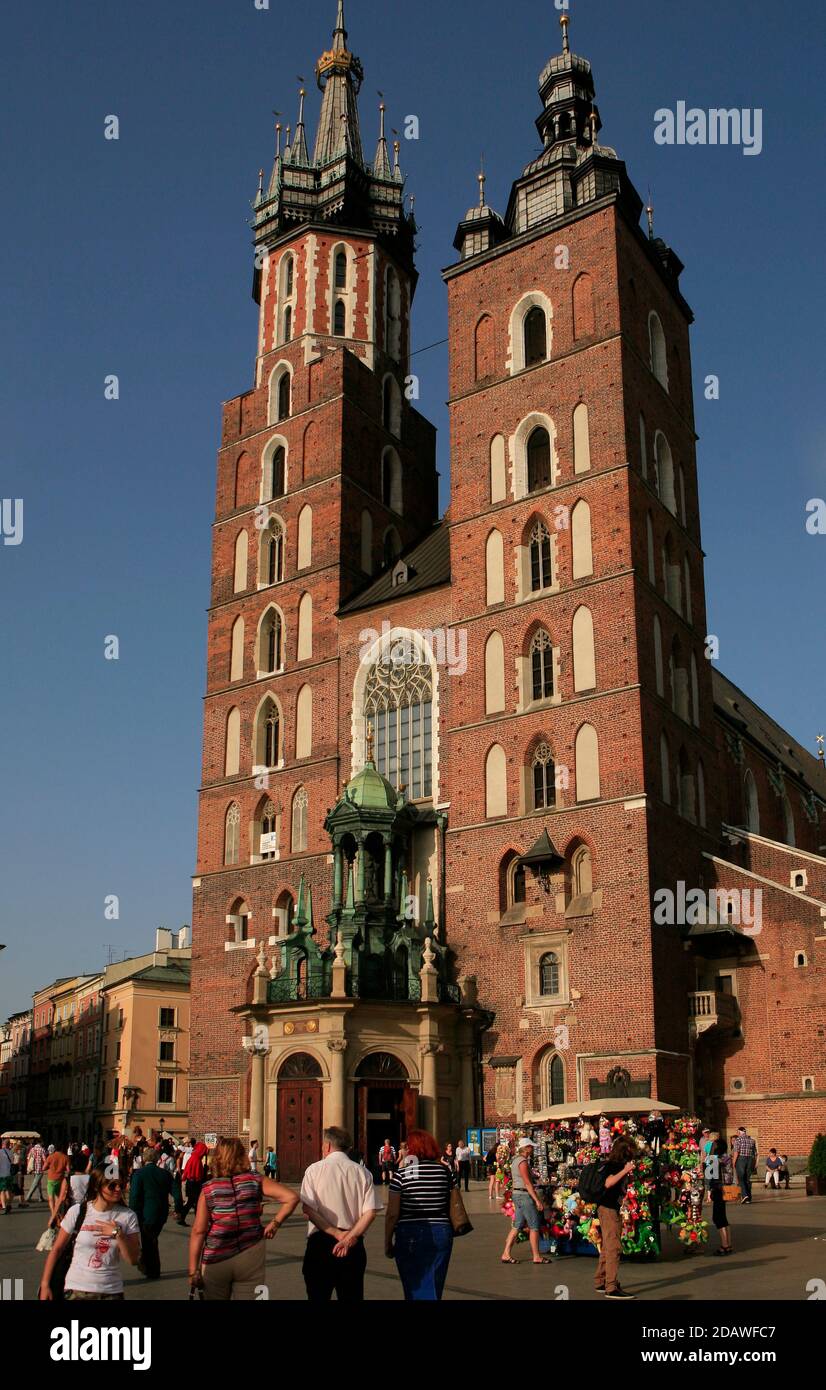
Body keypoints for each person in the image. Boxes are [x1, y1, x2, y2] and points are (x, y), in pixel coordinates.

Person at [188, 1137, 297, 1301]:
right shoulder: (255, 1180)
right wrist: (275, 1223)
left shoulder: (209, 1189)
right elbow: (291, 1197)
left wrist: (192, 1270)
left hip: (217, 1254)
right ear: (241, 1156)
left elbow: (199, 1231)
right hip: (250, 1251)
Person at [300, 1127, 382, 1302]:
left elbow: (308, 1209)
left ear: (328, 1146)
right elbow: (370, 1212)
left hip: (320, 1242)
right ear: (348, 1149)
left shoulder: (314, 1170)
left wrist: (336, 1233)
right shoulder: (362, 1172)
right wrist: (349, 1237)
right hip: (352, 1244)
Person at [38, 1168, 141, 1301]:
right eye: (112, 1185)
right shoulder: (78, 1212)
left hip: (111, 1290)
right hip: (77, 1289)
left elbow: (133, 1259)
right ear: (97, 1187)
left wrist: (118, 1235)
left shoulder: (127, 1216)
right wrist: (45, 1284)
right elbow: (56, 1250)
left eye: (121, 1185)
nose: (118, 1189)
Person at [385, 1128, 456, 1300]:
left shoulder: (402, 1174)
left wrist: (387, 1241)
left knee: (413, 1285)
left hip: (410, 1232)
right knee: (434, 1283)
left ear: (414, 1149)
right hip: (441, 1231)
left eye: (409, 1147)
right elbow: (451, 1202)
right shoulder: (444, 1172)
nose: (407, 1150)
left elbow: (393, 1213)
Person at [595, 1136, 637, 1299]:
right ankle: (611, 1287)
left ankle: (600, 1280)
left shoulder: (612, 1164)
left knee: (607, 1246)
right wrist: (625, 1171)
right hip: (609, 1209)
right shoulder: (614, 1166)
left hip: (607, 1207)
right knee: (613, 1247)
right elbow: (608, 1183)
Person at [501, 1138, 551, 1267]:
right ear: (526, 1148)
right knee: (534, 1226)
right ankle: (536, 1256)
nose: (533, 1149)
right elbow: (527, 1183)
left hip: (517, 1194)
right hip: (524, 1196)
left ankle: (506, 1253)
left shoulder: (515, 1160)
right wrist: (537, 1200)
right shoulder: (522, 1162)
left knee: (517, 1225)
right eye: (531, 1147)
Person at [129, 1149, 173, 1281]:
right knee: (151, 1239)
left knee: (149, 1241)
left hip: (145, 1213)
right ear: (157, 1159)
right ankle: (148, 1265)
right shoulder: (165, 1174)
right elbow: (175, 1190)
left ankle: (152, 1269)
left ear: (143, 1159)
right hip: (162, 1212)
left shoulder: (139, 1174)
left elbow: (134, 1196)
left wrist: (132, 1212)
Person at [707, 1137, 733, 1256]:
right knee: (723, 1216)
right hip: (727, 1188)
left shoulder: (713, 1159)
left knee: (717, 1218)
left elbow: (709, 1176)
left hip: (718, 1189)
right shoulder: (727, 1157)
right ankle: (728, 1243)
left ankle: (724, 1245)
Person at [180, 1138, 209, 1224]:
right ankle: (197, 1220)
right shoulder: (196, 1159)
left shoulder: (194, 1157)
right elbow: (198, 1175)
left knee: (192, 1202)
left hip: (191, 1182)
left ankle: (183, 1218)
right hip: (194, 1183)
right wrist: (204, 1171)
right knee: (195, 1202)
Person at [43, 1144, 71, 1224]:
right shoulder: (65, 1157)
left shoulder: (51, 1157)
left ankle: (53, 1214)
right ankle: (59, 1213)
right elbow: (68, 1170)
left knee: (51, 1198)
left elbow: (43, 1168)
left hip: (51, 1179)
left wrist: (50, 1167)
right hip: (60, 1179)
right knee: (58, 1198)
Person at [731, 1126, 754, 1203]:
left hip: (741, 1159)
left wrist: (733, 1162)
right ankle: (749, 1197)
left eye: (737, 1132)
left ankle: (744, 1195)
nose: (737, 1133)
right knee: (747, 1179)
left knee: (741, 1178)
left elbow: (736, 1152)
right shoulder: (751, 1140)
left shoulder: (738, 1140)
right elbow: (754, 1153)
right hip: (750, 1159)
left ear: (739, 1132)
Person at [25, 1139, 47, 1204]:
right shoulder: (42, 1149)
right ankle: (28, 1197)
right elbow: (44, 1159)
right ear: (40, 1142)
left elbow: (28, 1158)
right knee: (35, 1183)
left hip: (33, 1168)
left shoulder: (32, 1149)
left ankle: (40, 1197)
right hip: (39, 1168)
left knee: (38, 1183)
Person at [0, 1141, 14, 1214]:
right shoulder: (11, 1152)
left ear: (2, 1144)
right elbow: (12, 1162)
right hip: (9, 1174)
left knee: (2, 1191)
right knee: (8, 1190)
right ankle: (9, 1204)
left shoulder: (0, 1152)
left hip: (1, 1174)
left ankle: (4, 1207)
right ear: (9, 1145)